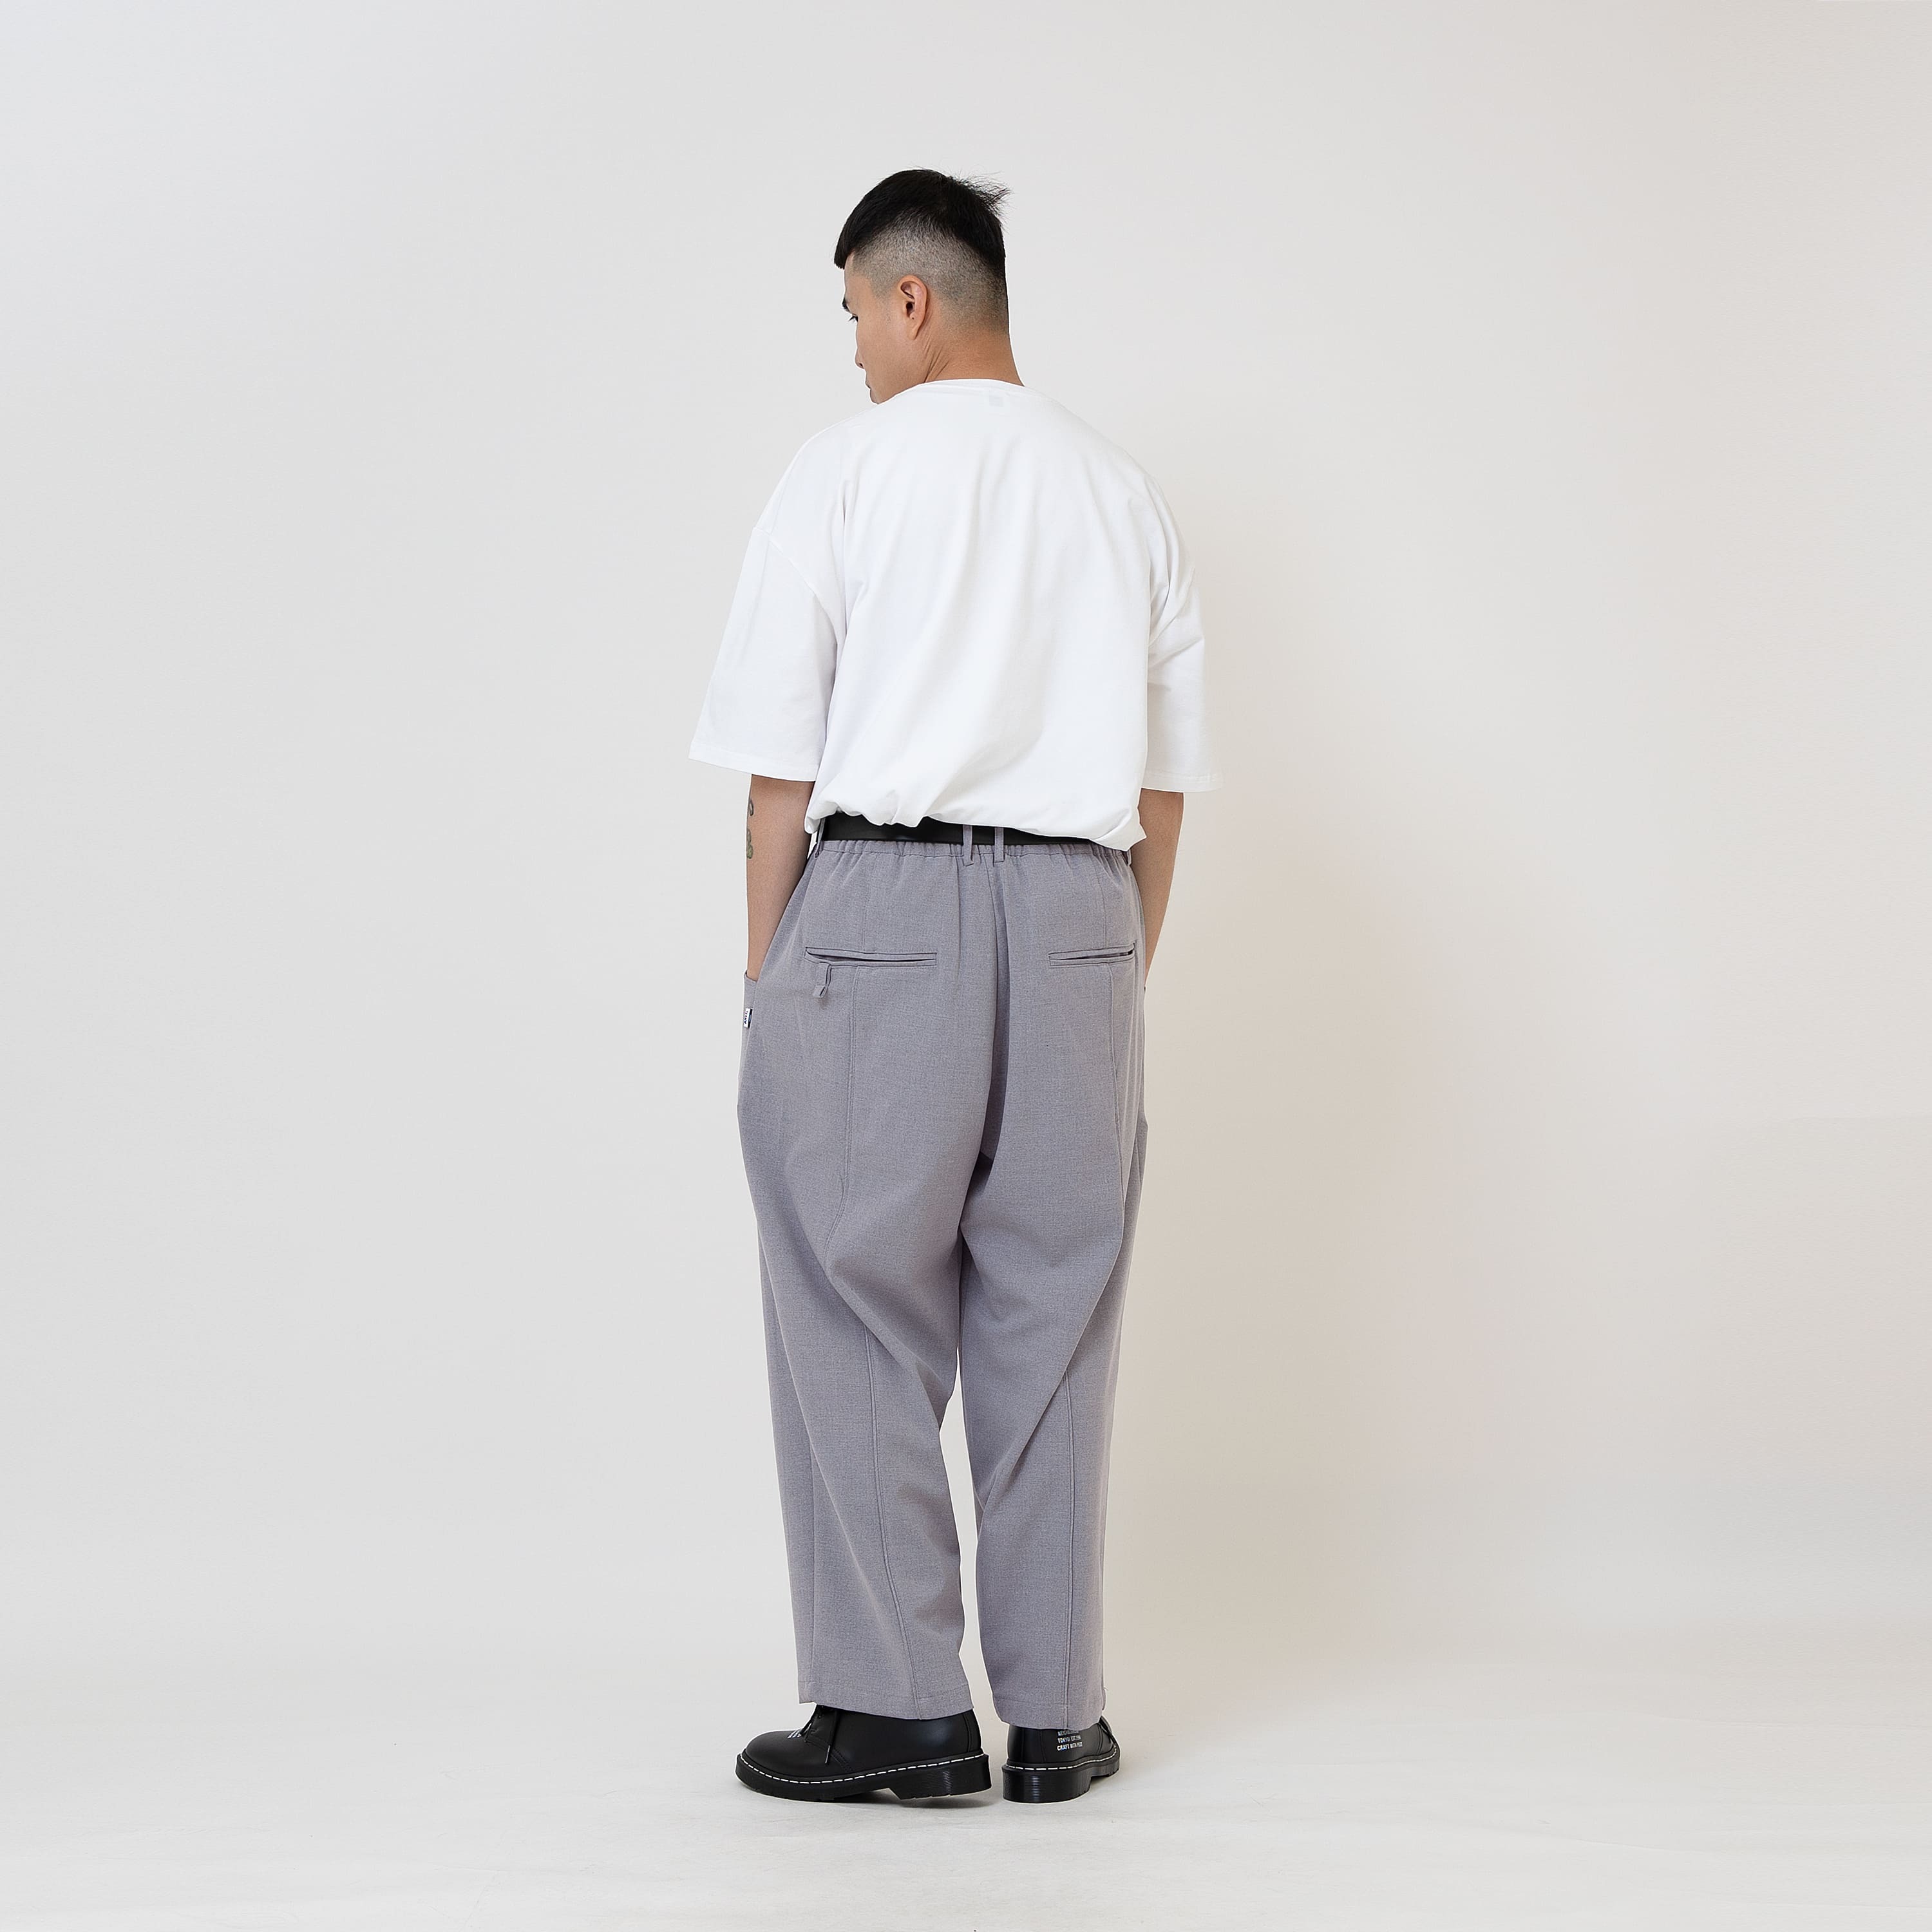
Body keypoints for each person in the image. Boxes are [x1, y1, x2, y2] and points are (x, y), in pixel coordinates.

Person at [689, 169, 1218, 1805]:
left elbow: (779, 768)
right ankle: (1056, 1718)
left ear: (911, 298)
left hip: (880, 905)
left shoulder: (844, 473)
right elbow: (1165, 786)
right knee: (1057, 1310)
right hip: (1081, 915)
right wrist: (1108, 968)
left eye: (855, 310)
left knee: (851, 1294)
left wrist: (771, 974)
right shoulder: (1123, 493)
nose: (854, 346)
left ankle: (898, 1710)